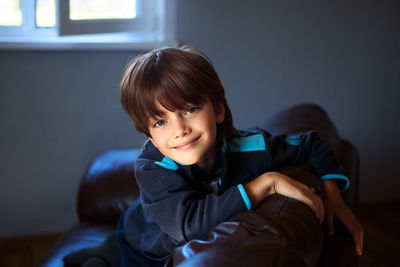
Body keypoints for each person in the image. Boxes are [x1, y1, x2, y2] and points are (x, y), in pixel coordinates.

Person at [116, 46, 363, 266]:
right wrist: (266, 183)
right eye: (160, 122)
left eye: (190, 109)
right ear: (149, 136)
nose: (180, 130)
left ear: (218, 110)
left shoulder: (248, 148)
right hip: (142, 246)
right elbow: (189, 226)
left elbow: (311, 143)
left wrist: (334, 195)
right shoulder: (153, 168)